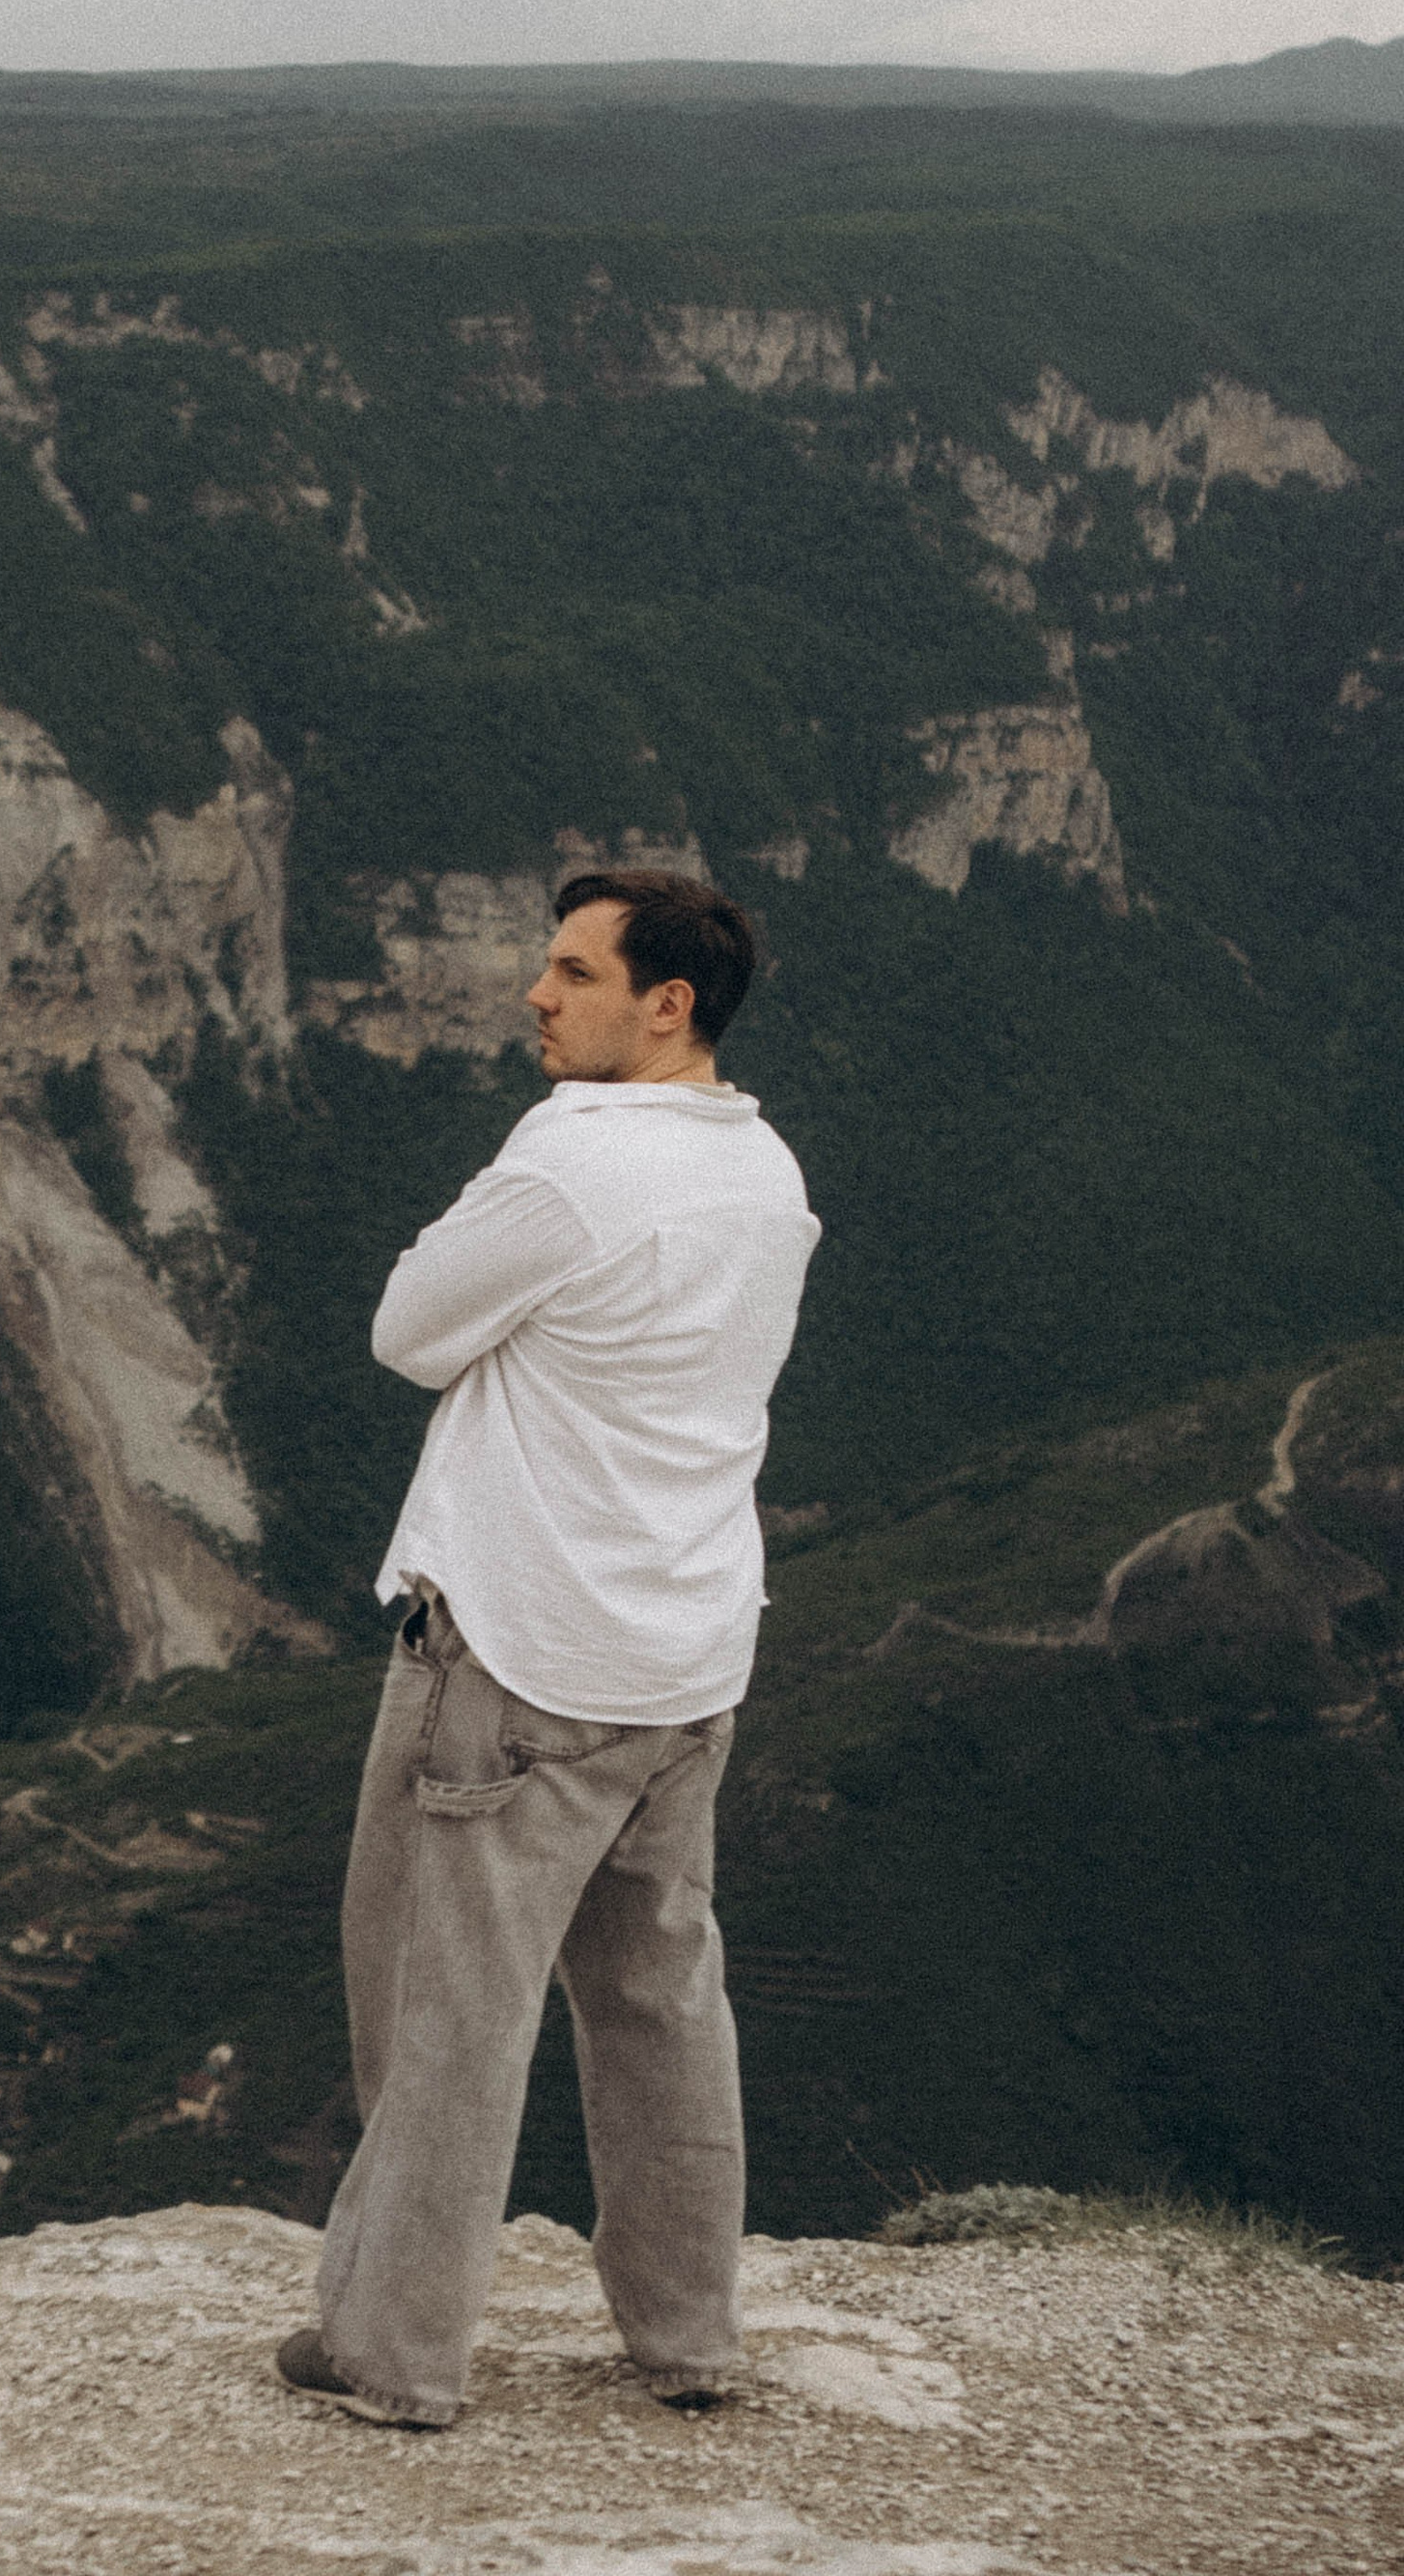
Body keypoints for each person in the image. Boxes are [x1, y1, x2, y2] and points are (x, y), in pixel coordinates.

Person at [276, 867, 820, 2430]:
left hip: (520, 1654)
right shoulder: (765, 1169)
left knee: (445, 2014)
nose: (534, 994)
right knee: (663, 2005)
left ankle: (394, 2352)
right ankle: (689, 2336)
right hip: (688, 1654)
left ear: (668, 1003)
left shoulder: (574, 1157)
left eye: (572, 973)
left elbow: (407, 1330)